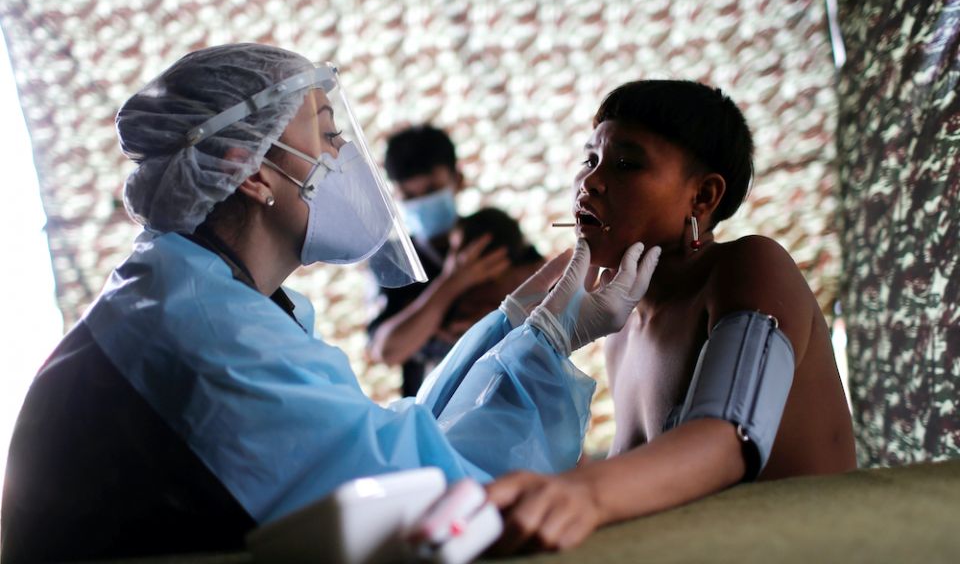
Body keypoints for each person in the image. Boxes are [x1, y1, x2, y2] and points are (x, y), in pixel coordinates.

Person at [0, 43, 659, 562]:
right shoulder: (206, 334)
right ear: (252, 169)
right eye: (323, 129)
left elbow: (391, 438)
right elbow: (435, 500)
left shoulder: (206, 293)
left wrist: (524, 326)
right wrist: (544, 345)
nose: (343, 151)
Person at [484, 80, 857, 554]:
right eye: (589, 161)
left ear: (702, 197)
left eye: (625, 164)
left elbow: (725, 440)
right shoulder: (620, 328)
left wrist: (585, 492)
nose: (591, 183)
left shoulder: (751, 267)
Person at [368, 126, 510, 396]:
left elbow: (548, 295)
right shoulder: (393, 261)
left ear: (458, 179)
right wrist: (453, 282)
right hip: (430, 416)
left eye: (432, 190)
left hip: (501, 399)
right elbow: (386, 350)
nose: (421, 203)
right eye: (409, 196)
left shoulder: (490, 233)